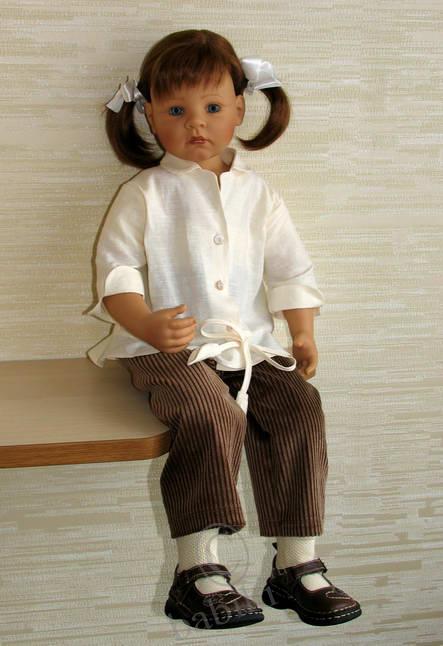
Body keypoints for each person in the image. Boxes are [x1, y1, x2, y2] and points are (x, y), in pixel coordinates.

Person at [85, 29, 362, 630]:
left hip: (249, 344)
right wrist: (145, 322)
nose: (196, 123)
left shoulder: (259, 195)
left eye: (212, 107)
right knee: (210, 414)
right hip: (165, 346)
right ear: (149, 115)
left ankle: (296, 561)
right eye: (176, 110)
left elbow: (290, 269)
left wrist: (302, 333)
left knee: (299, 407)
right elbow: (117, 273)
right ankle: (198, 569)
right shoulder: (144, 194)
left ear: (240, 107)